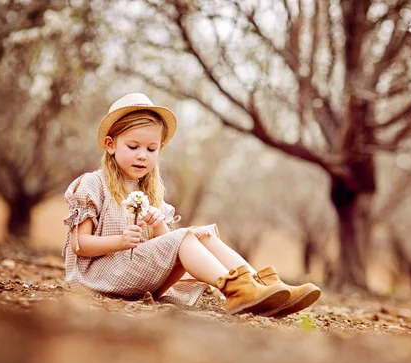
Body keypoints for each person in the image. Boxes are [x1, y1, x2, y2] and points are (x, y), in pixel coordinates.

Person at [62, 93, 321, 317]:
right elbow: (79, 245)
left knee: (201, 234)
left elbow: (171, 252)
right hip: (97, 279)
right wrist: (119, 241)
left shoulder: (150, 193)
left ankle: (259, 286)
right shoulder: (92, 185)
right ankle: (235, 290)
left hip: (135, 277)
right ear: (110, 145)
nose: (142, 155)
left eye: (151, 149)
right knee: (186, 236)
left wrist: (159, 224)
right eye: (133, 146)